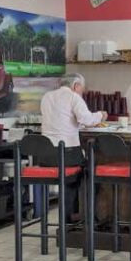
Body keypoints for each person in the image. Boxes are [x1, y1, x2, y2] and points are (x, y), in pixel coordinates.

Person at [40, 73, 106, 220]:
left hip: (46, 156)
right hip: (67, 154)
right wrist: (101, 115)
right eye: (82, 89)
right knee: (91, 172)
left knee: (74, 175)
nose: (82, 92)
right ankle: (89, 217)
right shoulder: (73, 97)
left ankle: (70, 216)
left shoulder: (47, 97)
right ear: (76, 86)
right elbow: (86, 119)